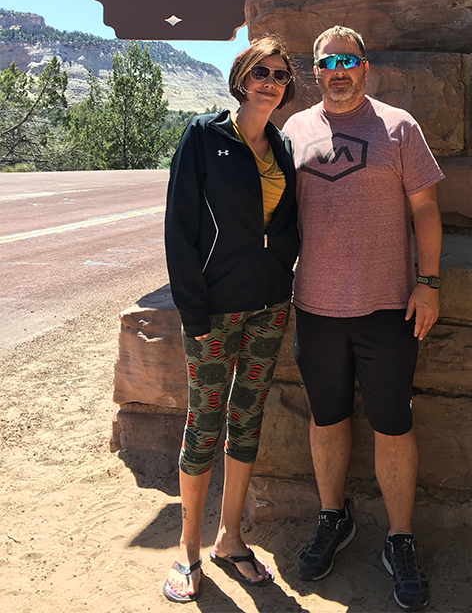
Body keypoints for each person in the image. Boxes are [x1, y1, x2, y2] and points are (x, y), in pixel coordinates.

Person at [284, 25, 444, 613]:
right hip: (316, 308)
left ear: (365, 68)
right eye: (329, 62)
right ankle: (334, 518)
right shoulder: (294, 130)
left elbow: (425, 208)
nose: (340, 71)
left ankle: (399, 537)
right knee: (327, 419)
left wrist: (428, 283)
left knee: (393, 425)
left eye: (349, 60)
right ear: (316, 71)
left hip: (388, 306)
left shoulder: (399, 127)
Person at [161, 37, 299, 603]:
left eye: (281, 75)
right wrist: (192, 310)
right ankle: (188, 549)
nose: (271, 81)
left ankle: (230, 538)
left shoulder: (283, 145)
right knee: (204, 422)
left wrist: (284, 268)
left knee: (248, 419)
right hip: (214, 310)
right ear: (241, 77)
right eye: (261, 71)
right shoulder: (203, 137)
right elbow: (179, 229)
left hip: (269, 306)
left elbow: (287, 223)